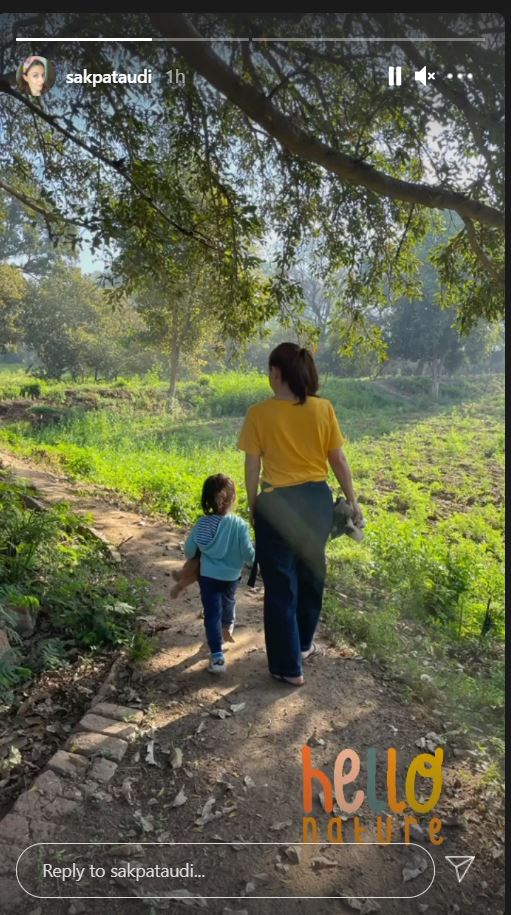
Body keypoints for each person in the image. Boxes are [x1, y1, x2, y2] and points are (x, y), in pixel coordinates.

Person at [238, 342, 361, 687]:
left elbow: (252, 465)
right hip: (316, 501)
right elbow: (338, 460)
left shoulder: (259, 414)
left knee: (281, 585)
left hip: (277, 504)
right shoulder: (323, 409)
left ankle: (288, 666)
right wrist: (353, 499)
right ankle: (304, 643)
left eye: (269, 371)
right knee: (311, 573)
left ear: (276, 373)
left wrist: (253, 504)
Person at [183, 474, 255, 674]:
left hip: (208, 577)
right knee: (229, 600)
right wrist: (258, 560)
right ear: (233, 498)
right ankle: (228, 625)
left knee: (211, 614)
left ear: (207, 499)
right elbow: (248, 554)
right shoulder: (240, 525)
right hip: (232, 576)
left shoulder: (202, 524)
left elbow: (189, 551)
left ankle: (217, 657)